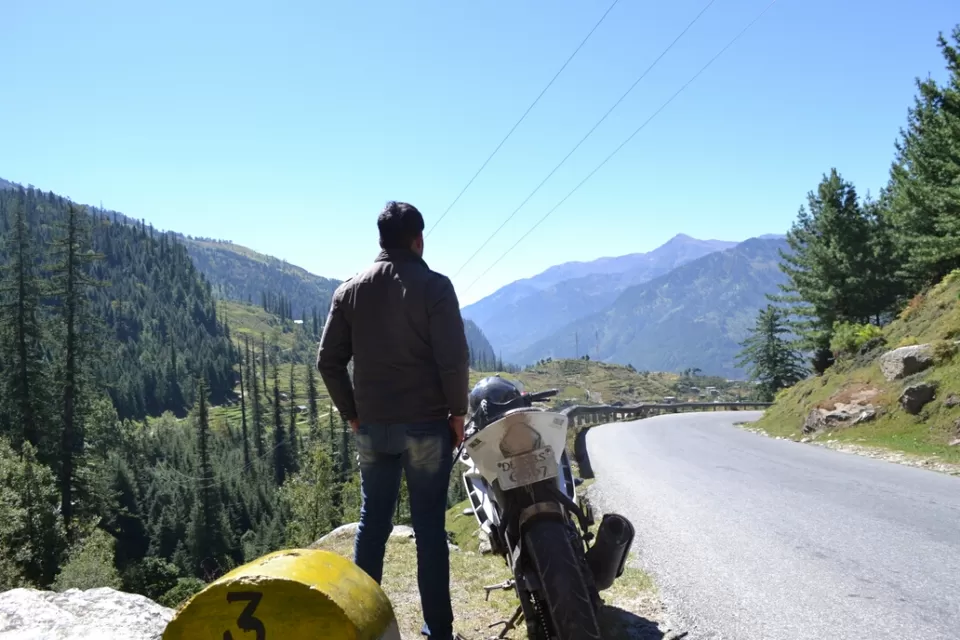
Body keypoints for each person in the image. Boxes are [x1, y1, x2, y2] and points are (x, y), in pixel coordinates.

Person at [317, 201, 469, 640]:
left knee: (373, 524)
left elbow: (328, 362)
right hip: (426, 427)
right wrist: (457, 412)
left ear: (381, 240)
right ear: (418, 240)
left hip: (374, 429)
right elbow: (453, 360)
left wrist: (352, 414)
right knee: (428, 530)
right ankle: (438, 631)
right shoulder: (436, 287)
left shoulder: (349, 291)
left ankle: (362, 626)